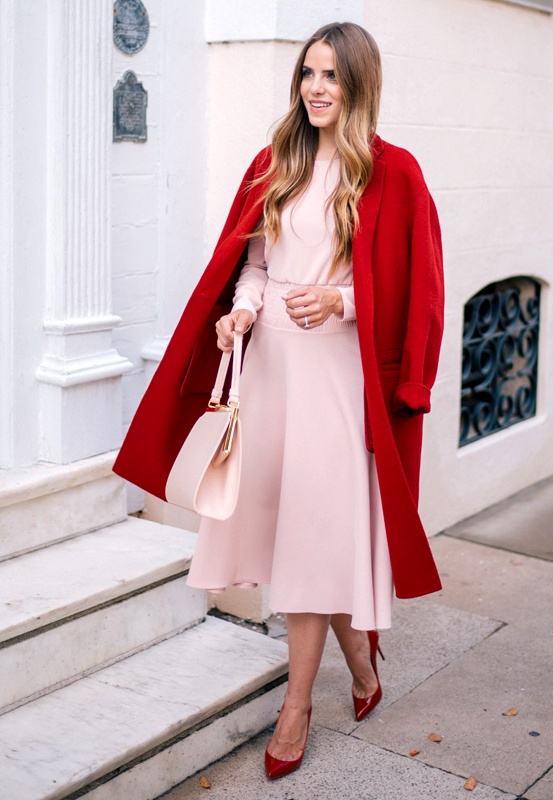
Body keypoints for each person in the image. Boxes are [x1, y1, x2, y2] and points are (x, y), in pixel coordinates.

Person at [113, 21, 444, 781]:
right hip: (271, 371)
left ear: (359, 84)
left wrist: (343, 301)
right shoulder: (277, 160)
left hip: (337, 377)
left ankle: (296, 707)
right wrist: (241, 311)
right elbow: (256, 266)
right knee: (301, 532)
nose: (317, 88)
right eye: (308, 74)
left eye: (332, 76)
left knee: (314, 528)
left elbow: (418, 291)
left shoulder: (396, 173)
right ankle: (360, 659)